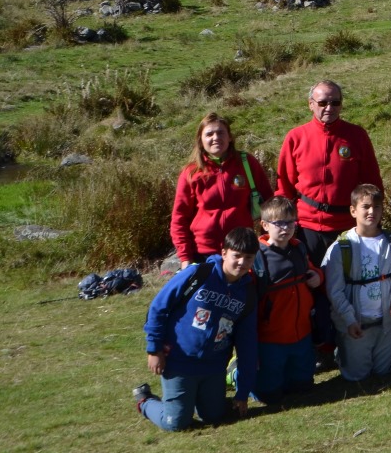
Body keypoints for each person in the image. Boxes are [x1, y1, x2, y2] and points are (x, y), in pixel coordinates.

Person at [276, 81, 383, 356]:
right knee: (310, 288)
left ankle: (353, 343)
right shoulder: (295, 137)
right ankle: (318, 346)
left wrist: (373, 225)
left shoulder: (356, 136)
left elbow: (372, 183)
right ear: (311, 103)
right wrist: (285, 230)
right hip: (307, 228)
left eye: (335, 102)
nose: (329, 108)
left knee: (349, 289)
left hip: (347, 229)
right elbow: (284, 189)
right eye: (323, 102)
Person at [134, 226, 259, 431]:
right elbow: (158, 308)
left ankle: (198, 401)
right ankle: (145, 401)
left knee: (215, 417)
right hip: (179, 361)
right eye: (237, 256)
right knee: (175, 423)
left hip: (214, 367)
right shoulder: (197, 273)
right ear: (224, 253)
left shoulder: (248, 293)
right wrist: (154, 349)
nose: (242, 263)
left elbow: (247, 343)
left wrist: (243, 392)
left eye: (249, 258)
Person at [322, 184, 391, 384]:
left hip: (386, 324)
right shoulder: (341, 248)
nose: (372, 211)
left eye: (377, 207)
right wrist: (349, 320)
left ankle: (387, 347)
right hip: (356, 324)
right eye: (366, 206)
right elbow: (334, 291)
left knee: (383, 372)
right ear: (353, 210)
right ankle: (343, 351)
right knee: (357, 376)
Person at [170, 113, 274, 266]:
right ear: (200, 140)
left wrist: (268, 240)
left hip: (242, 250)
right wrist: (185, 257)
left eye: (220, 132)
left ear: (230, 137)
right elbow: (179, 218)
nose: (215, 137)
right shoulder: (191, 173)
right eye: (209, 134)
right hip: (204, 252)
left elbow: (269, 204)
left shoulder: (246, 163)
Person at [251, 196, 320, 404]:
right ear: (264, 225)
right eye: (279, 223)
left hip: (301, 333)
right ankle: (237, 373)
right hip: (272, 338)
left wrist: (318, 276)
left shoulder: (298, 247)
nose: (285, 228)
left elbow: (311, 270)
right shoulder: (257, 256)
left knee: (303, 387)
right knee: (269, 396)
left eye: (290, 222)